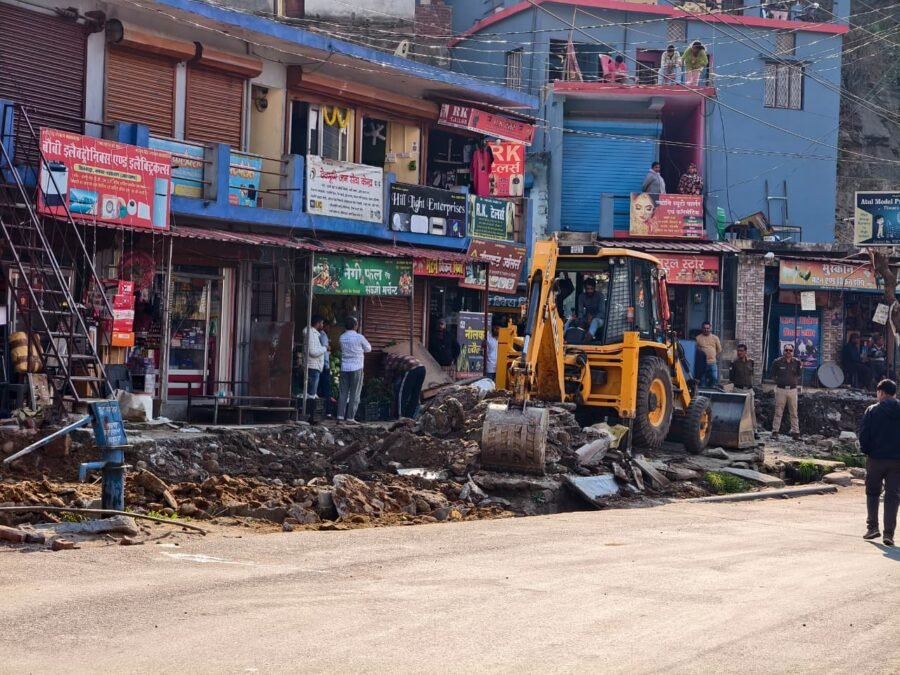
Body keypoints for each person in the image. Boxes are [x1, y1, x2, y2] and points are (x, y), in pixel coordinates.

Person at [860, 378, 900, 545]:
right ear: (894, 393)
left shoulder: (872, 410)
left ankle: (872, 528)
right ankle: (888, 534)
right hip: (897, 461)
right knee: (892, 496)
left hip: (876, 459)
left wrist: (868, 451)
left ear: (882, 392)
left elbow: (864, 435)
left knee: (872, 493)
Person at [337, 316, 371, 423]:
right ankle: (350, 418)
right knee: (354, 393)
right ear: (355, 326)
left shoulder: (342, 337)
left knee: (343, 393)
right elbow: (368, 348)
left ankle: (340, 416)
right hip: (357, 367)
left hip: (344, 367)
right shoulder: (359, 337)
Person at [770, 343, 802, 439]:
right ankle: (775, 432)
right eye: (786, 350)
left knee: (794, 412)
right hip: (781, 390)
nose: (788, 352)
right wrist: (779, 381)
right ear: (783, 351)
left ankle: (796, 432)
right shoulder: (777, 362)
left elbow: (799, 374)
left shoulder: (797, 362)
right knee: (778, 411)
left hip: (792, 390)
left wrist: (794, 381)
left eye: (790, 350)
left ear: (793, 352)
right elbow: (772, 374)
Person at [384, 352, 426, 419]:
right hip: (422, 368)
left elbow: (388, 376)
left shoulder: (389, 360)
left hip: (412, 369)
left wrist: (386, 385)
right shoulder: (399, 356)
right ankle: (410, 416)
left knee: (402, 394)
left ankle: (400, 416)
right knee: (415, 394)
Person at [298, 315, 327, 399]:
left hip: (313, 366)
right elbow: (312, 352)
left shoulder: (313, 334)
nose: (322, 325)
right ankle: (307, 411)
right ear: (318, 323)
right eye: (322, 323)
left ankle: (307, 410)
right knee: (311, 394)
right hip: (312, 367)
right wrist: (324, 348)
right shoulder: (311, 334)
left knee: (310, 394)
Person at [695, 321, 722, 387]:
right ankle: (704, 395)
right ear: (702, 329)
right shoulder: (698, 338)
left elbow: (719, 349)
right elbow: (696, 350)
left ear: (710, 329)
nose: (706, 330)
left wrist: (713, 355)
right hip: (702, 364)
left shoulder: (715, 338)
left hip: (712, 362)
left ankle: (711, 390)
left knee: (714, 378)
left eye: (707, 328)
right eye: (704, 328)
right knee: (702, 381)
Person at [317, 318, 334, 416]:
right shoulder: (323, 335)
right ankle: (327, 412)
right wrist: (328, 348)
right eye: (327, 326)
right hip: (324, 365)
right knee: (326, 389)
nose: (329, 328)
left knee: (321, 388)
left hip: (322, 364)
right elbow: (324, 348)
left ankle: (322, 411)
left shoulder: (321, 335)